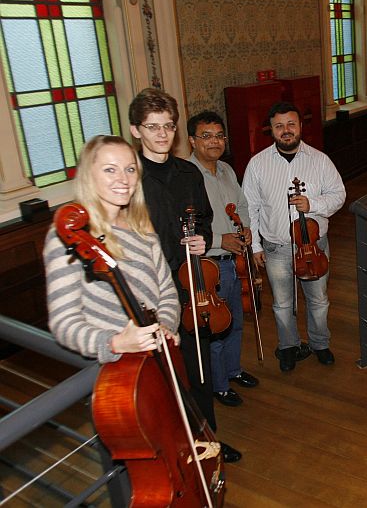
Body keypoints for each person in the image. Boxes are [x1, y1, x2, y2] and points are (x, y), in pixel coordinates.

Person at [128, 88, 241, 463]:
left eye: (168, 126)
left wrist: (202, 239)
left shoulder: (189, 173)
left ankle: (208, 441)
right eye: (152, 126)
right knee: (164, 379)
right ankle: (175, 449)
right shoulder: (130, 179)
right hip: (152, 293)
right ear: (136, 130)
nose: (162, 134)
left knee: (199, 371)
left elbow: (205, 221)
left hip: (194, 287)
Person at [44, 135, 180, 362]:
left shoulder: (141, 227)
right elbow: (63, 323)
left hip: (156, 356)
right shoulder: (67, 236)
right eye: (110, 170)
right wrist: (114, 343)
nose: (123, 179)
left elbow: (167, 291)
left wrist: (164, 326)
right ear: (89, 176)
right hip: (113, 364)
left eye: (130, 169)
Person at [243, 102, 346, 372]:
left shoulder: (320, 160)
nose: (285, 130)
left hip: (314, 245)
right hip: (276, 247)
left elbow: (339, 195)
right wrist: (255, 246)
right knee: (282, 304)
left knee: (318, 299)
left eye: (291, 124)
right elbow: (250, 208)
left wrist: (313, 204)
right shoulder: (258, 164)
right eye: (279, 126)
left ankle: (320, 343)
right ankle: (288, 346)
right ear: (271, 130)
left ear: (300, 126)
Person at [187, 111, 259, 407]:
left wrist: (246, 228)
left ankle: (233, 370)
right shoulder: (187, 176)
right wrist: (220, 240)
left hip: (234, 260)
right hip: (210, 265)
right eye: (206, 136)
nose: (214, 141)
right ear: (192, 141)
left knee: (236, 322)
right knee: (216, 329)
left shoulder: (227, 169)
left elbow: (241, 204)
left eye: (219, 135)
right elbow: (186, 227)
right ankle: (219, 385)